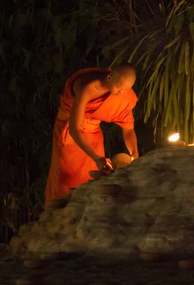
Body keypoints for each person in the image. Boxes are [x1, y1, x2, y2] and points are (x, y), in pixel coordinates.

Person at [44, 64, 139, 203]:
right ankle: (62, 214)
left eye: (126, 89)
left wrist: (135, 154)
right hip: (71, 133)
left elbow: (128, 128)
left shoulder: (123, 92)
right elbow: (74, 129)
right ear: (109, 77)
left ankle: (87, 212)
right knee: (67, 178)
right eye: (119, 89)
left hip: (93, 132)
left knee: (94, 177)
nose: (122, 93)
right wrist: (96, 157)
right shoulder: (88, 88)